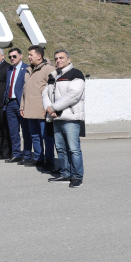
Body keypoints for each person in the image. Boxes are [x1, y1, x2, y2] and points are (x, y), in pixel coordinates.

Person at [44, 50, 86, 188]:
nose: (58, 60)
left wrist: (54, 107)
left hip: (71, 118)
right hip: (56, 118)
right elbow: (45, 94)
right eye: (56, 58)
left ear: (69, 59)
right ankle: (65, 173)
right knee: (61, 148)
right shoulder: (53, 76)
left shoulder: (76, 74)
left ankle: (77, 176)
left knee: (73, 149)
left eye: (61, 58)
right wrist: (49, 108)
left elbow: (73, 95)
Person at [20, 45, 56, 171]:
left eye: (31, 55)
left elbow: (53, 90)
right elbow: (25, 91)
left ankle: (50, 160)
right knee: (35, 136)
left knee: (47, 137)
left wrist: (50, 108)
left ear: (39, 56)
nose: (28, 57)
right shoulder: (29, 70)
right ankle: (39, 158)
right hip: (29, 110)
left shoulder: (48, 69)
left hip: (42, 110)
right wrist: (22, 106)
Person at [4, 48, 28, 164]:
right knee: (13, 131)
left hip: (21, 103)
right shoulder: (9, 69)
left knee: (25, 130)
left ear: (21, 56)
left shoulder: (27, 69)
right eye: (10, 57)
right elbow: (8, 86)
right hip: (10, 103)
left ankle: (27, 154)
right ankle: (16, 154)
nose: (12, 59)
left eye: (14, 56)